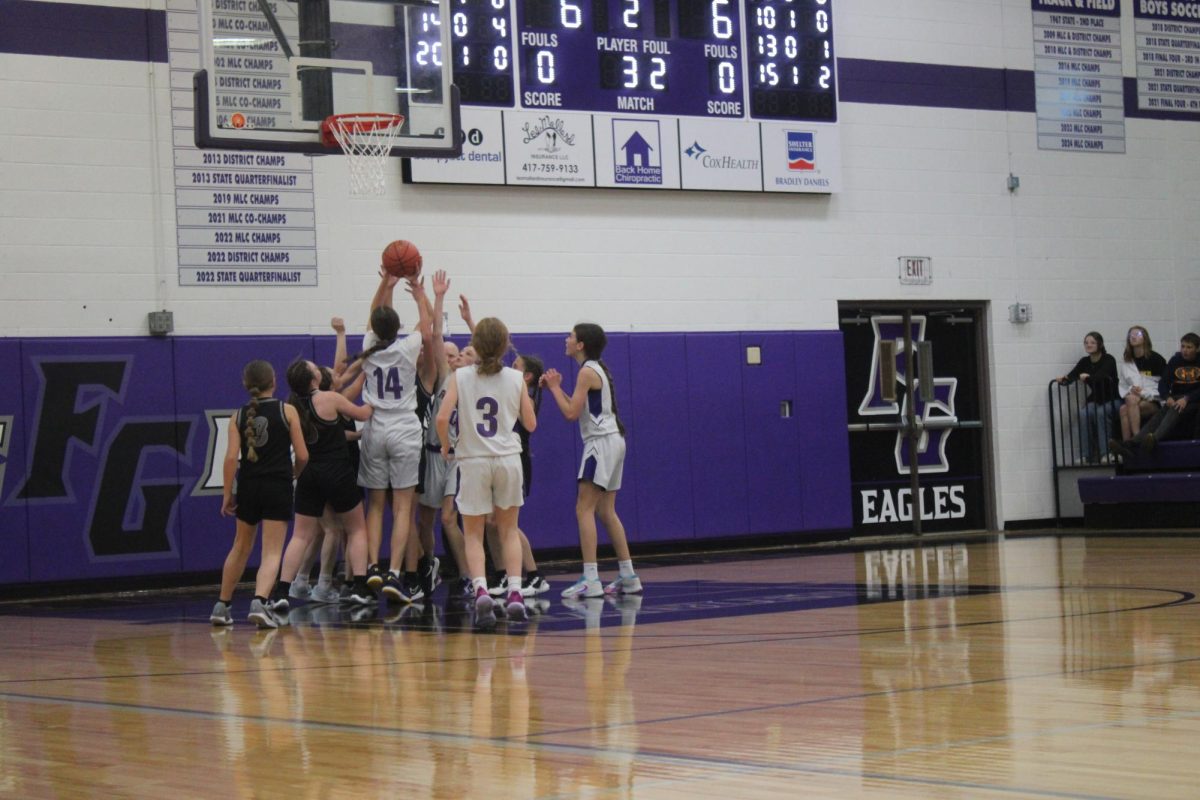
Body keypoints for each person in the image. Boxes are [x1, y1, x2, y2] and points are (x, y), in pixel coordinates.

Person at [436, 317, 537, 622]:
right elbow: (531, 424)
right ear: (505, 345)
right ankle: (516, 592)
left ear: (476, 345)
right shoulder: (516, 379)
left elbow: (442, 419)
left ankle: (481, 589)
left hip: (474, 461)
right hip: (508, 459)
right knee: (508, 531)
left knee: (473, 533)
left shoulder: (462, 376)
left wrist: (445, 445)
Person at [541, 323, 642, 599]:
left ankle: (591, 578)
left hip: (600, 443)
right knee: (606, 511)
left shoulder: (586, 371)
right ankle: (628, 575)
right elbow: (578, 405)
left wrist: (552, 390)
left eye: (571, 336)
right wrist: (557, 387)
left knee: (583, 509)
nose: (566, 339)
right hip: (614, 441)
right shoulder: (597, 368)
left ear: (581, 344)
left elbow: (571, 414)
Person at [458, 295, 549, 598]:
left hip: (510, 456)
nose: (513, 362)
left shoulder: (516, 384)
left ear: (529, 376)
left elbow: (531, 424)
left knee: (502, 524)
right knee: (497, 524)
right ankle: (506, 581)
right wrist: (473, 324)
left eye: (519, 365)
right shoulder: (510, 379)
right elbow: (488, 349)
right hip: (504, 458)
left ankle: (532, 574)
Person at [349, 272, 431, 603]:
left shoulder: (369, 346)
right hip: (404, 429)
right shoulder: (409, 347)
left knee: (376, 505)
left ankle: (372, 567)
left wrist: (386, 284)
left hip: (374, 428)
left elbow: (374, 315)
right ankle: (395, 574)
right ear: (398, 328)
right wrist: (420, 294)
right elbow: (426, 327)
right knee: (403, 507)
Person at [210, 360, 309, 628]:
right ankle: (260, 601)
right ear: (273, 381)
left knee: (240, 547)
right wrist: (295, 473)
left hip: (249, 486)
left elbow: (231, 459)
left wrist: (228, 493)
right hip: (277, 485)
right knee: (272, 552)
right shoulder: (286, 411)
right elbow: (302, 455)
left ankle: (222, 605)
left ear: (246, 384)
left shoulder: (238, 416)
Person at [272, 359, 375, 609]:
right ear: (314, 379)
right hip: (337, 470)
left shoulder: (291, 407)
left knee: (300, 536)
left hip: (308, 472)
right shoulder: (329, 399)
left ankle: (282, 592)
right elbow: (363, 414)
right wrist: (378, 399)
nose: (319, 368)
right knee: (357, 529)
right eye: (315, 368)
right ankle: (360, 586)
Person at [1117, 332, 1200, 456]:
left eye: (1189, 347)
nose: (1185, 351)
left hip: (1194, 399)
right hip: (1177, 397)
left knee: (1175, 407)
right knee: (1162, 413)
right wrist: (1167, 397)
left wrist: (1187, 398)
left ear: (1197, 348)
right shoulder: (1175, 360)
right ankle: (1133, 442)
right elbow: (1163, 382)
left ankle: (1154, 438)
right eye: (1183, 346)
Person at [1056, 331, 1119, 462]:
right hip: (1096, 398)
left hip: (1112, 398)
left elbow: (1101, 376)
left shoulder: (1109, 359)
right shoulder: (1085, 361)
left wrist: (1089, 378)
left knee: (1101, 413)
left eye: (1092, 342)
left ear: (1100, 344)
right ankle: (1086, 454)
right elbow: (1073, 375)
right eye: (1086, 342)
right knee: (1083, 413)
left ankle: (1106, 453)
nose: (1088, 345)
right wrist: (1064, 380)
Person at [1110, 325, 1167, 451]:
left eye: (1138, 335)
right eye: (1131, 335)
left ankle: (1136, 439)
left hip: (1154, 401)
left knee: (1130, 401)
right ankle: (1127, 444)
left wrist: (1144, 392)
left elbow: (1164, 385)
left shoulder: (1156, 359)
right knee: (1123, 409)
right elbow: (1124, 385)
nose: (1134, 337)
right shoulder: (1128, 361)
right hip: (1135, 401)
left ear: (1145, 338)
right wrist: (1132, 389)